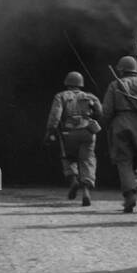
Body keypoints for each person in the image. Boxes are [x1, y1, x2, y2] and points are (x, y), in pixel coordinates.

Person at [101, 56, 137, 213]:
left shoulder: (115, 84)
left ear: (122, 69)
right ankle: (133, 187)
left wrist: (106, 124)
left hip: (120, 123)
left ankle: (129, 195)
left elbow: (107, 110)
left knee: (124, 161)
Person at [43, 71, 104, 206]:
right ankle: (86, 192)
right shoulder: (90, 96)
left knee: (68, 158)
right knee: (88, 160)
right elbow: (100, 113)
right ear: (80, 84)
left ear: (67, 83)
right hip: (88, 132)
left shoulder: (61, 96)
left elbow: (55, 115)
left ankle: (73, 181)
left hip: (69, 132)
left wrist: (50, 131)